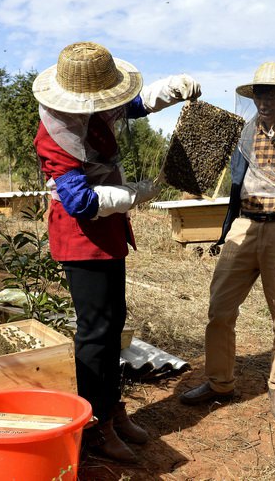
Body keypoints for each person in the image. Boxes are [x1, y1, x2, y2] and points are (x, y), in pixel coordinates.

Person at [33, 41, 201, 462]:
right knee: (95, 332)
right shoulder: (56, 133)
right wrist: (135, 194)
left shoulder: (95, 110)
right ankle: (93, 426)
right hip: (80, 236)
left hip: (107, 234)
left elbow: (133, 104)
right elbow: (81, 203)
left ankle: (112, 410)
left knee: (114, 324)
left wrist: (173, 88)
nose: (106, 106)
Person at [178, 61, 275, 419]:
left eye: (273, 93)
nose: (264, 100)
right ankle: (219, 383)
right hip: (244, 225)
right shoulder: (241, 132)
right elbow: (222, 175)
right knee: (220, 309)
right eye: (260, 93)